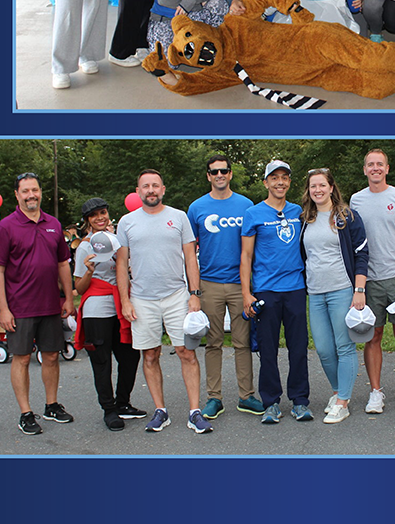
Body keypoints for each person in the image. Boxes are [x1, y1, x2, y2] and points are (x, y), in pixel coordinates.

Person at [116, 170, 212, 434]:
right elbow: (122, 264)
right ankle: (161, 411)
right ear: (138, 191)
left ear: (163, 189)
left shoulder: (178, 217)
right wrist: (125, 301)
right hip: (142, 298)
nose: (151, 190)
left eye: (155, 185)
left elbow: (191, 258)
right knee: (150, 354)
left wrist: (195, 294)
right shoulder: (126, 222)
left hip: (176, 296)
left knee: (186, 353)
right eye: (146, 186)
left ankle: (195, 412)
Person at [0, 172, 76, 435]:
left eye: (35, 190)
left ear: (41, 192)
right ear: (17, 195)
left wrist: (69, 298)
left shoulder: (53, 224)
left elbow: (63, 263)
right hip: (20, 307)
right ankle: (26, 413)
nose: (31, 195)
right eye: (25, 191)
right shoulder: (6, 226)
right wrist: (3, 308)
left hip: (50, 304)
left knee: (51, 356)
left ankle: (51, 405)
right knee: (23, 358)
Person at [187, 155, 264, 419]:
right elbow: (189, 252)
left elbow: (255, 246)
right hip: (209, 284)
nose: (219, 175)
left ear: (230, 174)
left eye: (224, 170)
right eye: (214, 171)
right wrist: (194, 291)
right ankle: (214, 398)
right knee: (213, 343)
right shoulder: (196, 208)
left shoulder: (246, 205)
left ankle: (246, 396)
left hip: (239, 285)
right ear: (208, 176)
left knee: (243, 343)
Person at [348, 149, 395, 415]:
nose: (375, 168)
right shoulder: (356, 200)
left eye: (380, 164)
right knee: (373, 336)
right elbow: (353, 240)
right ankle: (375, 393)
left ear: (387, 168)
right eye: (370, 164)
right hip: (368, 279)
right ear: (365, 170)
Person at [241, 160, 312, 424]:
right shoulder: (254, 213)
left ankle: (300, 400)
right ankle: (270, 402)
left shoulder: (300, 211)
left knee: (298, 348)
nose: (280, 182)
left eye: (284, 177)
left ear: (290, 182)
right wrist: (247, 293)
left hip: (295, 288)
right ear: (266, 182)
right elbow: (246, 256)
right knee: (268, 350)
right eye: (274, 178)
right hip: (265, 291)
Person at [299, 168, 370, 424]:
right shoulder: (304, 218)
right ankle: (339, 392)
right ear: (308, 190)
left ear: (331, 187)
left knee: (344, 347)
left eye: (322, 185)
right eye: (312, 186)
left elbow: (362, 254)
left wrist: (359, 289)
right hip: (315, 293)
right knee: (324, 350)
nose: (317, 190)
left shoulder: (347, 216)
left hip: (342, 289)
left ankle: (342, 402)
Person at [72, 197, 145, 431]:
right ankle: (109, 409)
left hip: (122, 305)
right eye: (94, 215)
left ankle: (123, 402)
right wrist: (89, 272)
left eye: (103, 212)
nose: (100, 218)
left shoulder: (118, 241)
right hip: (97, 309)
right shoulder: (84, 246)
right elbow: (79, 288)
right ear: (87, 221)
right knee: (102, 362)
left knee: (130, 357)